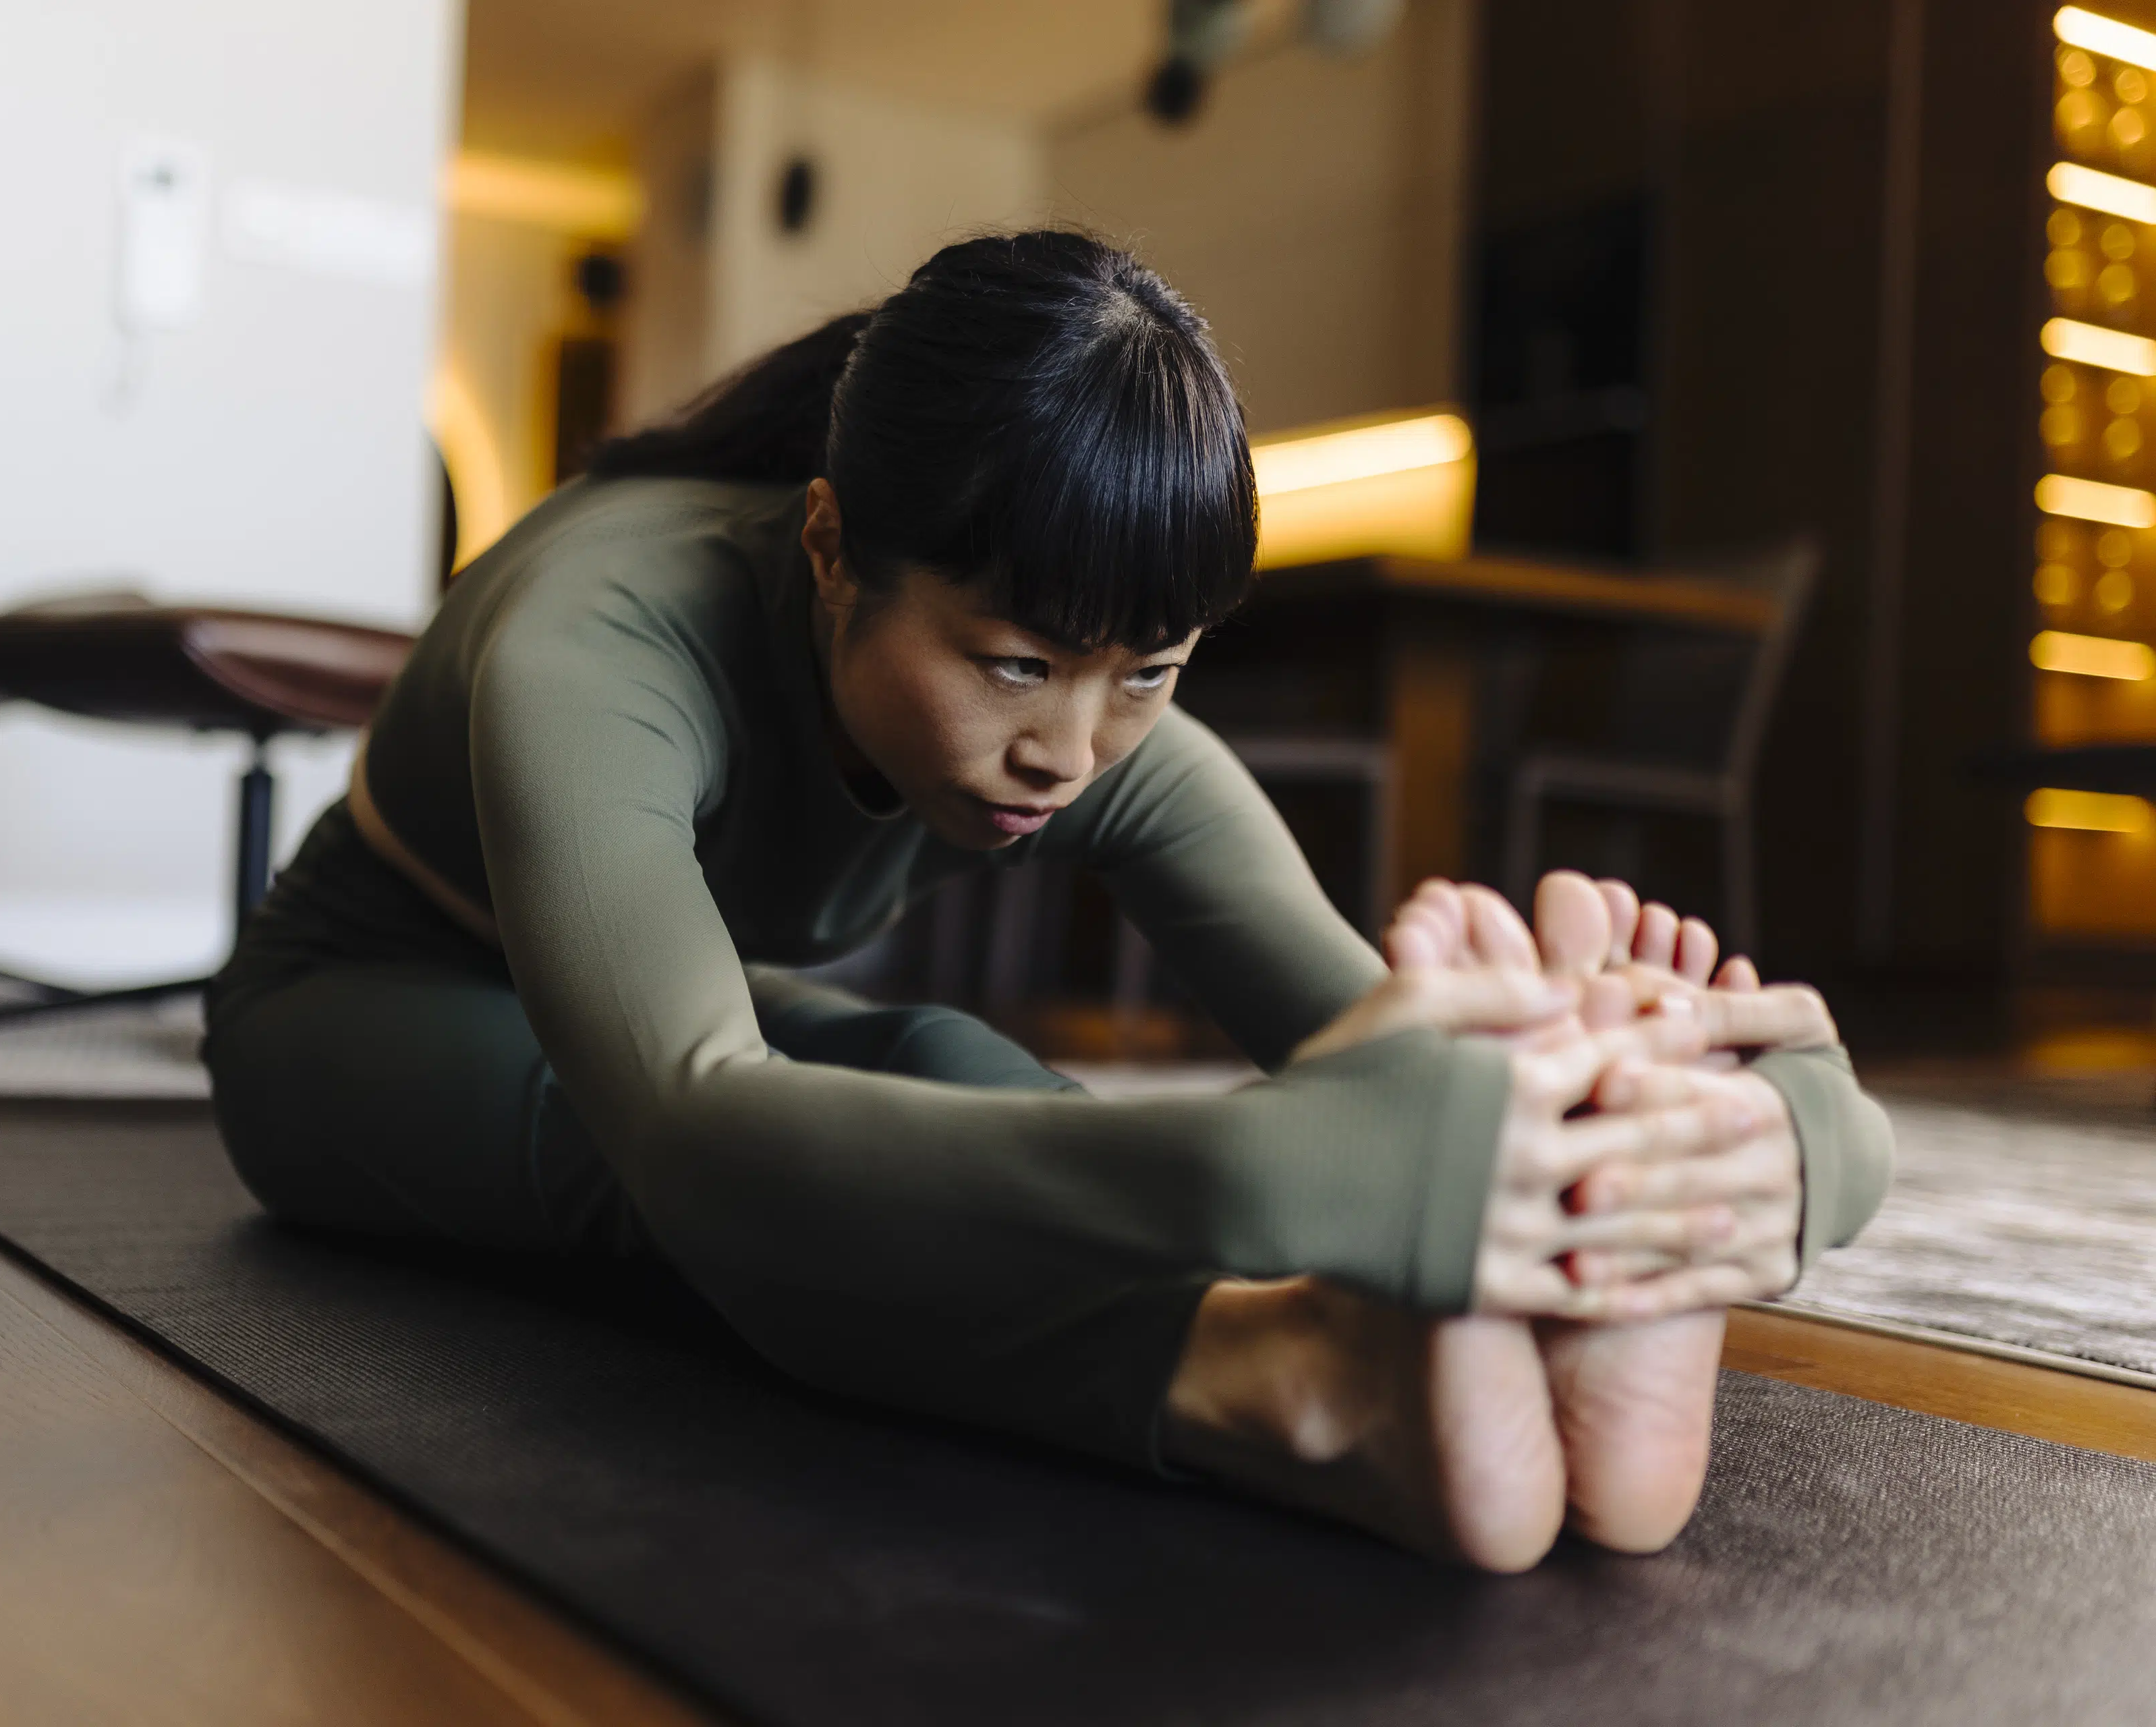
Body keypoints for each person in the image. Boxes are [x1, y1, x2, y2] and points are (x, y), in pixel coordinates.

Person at [201, 231, 1892, 1573]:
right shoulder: (603, 636)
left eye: (1145, 672)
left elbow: (1363, 1039)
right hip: (349, 1011)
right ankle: (1272, 1383)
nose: (1068, 749)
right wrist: (1265, 1173)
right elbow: (692, 1122)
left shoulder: (1093, 723)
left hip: (655, 994)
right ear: (830, 546)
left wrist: (1720, 1126)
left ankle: (1429, 1361)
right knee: (684, 1166)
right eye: (1011, 664)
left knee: (936, 1053)